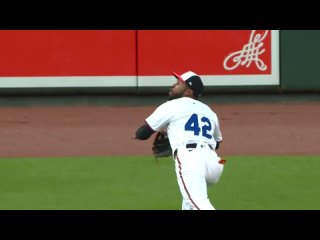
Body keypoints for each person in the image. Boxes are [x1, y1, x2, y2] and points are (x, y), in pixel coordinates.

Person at [134, 70, 225, 210]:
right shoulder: (209, 112)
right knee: (188, 202)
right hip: (215, 163)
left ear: (188, 92)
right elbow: (217, 142)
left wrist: (165, 131)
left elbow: (142, 134)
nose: (173, 85)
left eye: (178, 83)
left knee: (198, 203)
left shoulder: (171, 106)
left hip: (190, 158)